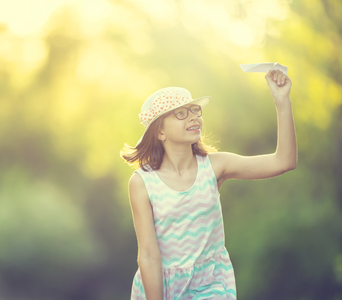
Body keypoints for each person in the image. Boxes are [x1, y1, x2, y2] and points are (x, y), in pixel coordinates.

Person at [120, 69, 297, 300]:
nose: (194, 117)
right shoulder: (142, 182)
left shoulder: (214, 166)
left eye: (195, 110)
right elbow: (149, 256)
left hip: (210, 286)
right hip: (159, 288)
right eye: (181, 113)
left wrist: (282, 101)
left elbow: (284, 161)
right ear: (160, 131)